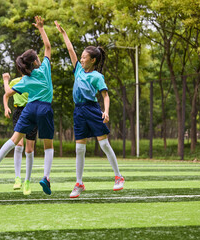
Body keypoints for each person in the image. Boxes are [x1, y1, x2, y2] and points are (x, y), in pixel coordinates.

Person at [55, 21, 125, 198]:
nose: (81, 58)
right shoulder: (78, 70)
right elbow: (70, 50)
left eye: (85, 57)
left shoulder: (97, 76)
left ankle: (118, 176)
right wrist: (63, 33)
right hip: (78, 111)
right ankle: (79, 183)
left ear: (93, 60)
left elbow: (105, 96)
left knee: (103, 144)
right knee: (79, 149)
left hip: (93, 110)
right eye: (82, 56)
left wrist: (106, 111)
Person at [0, 16, 54, 195]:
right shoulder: (45, 69)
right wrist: (41, 28)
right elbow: (48, 46)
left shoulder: (26, 79)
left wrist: (6, 81)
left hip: (30, 108)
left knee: (14, 139)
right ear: (36, 62)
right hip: (44, 108)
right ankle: (45, 177)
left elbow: (7, 93)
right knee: (48, 145)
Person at [3, 75, 37, 195]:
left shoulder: (35, 80)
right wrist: (6, 107)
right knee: (18, 144)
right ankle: (17, 178)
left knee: (29, 148)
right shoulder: (16, 81)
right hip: (19, 112)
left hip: (32, 111)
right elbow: (6, 94)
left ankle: (27, 180)